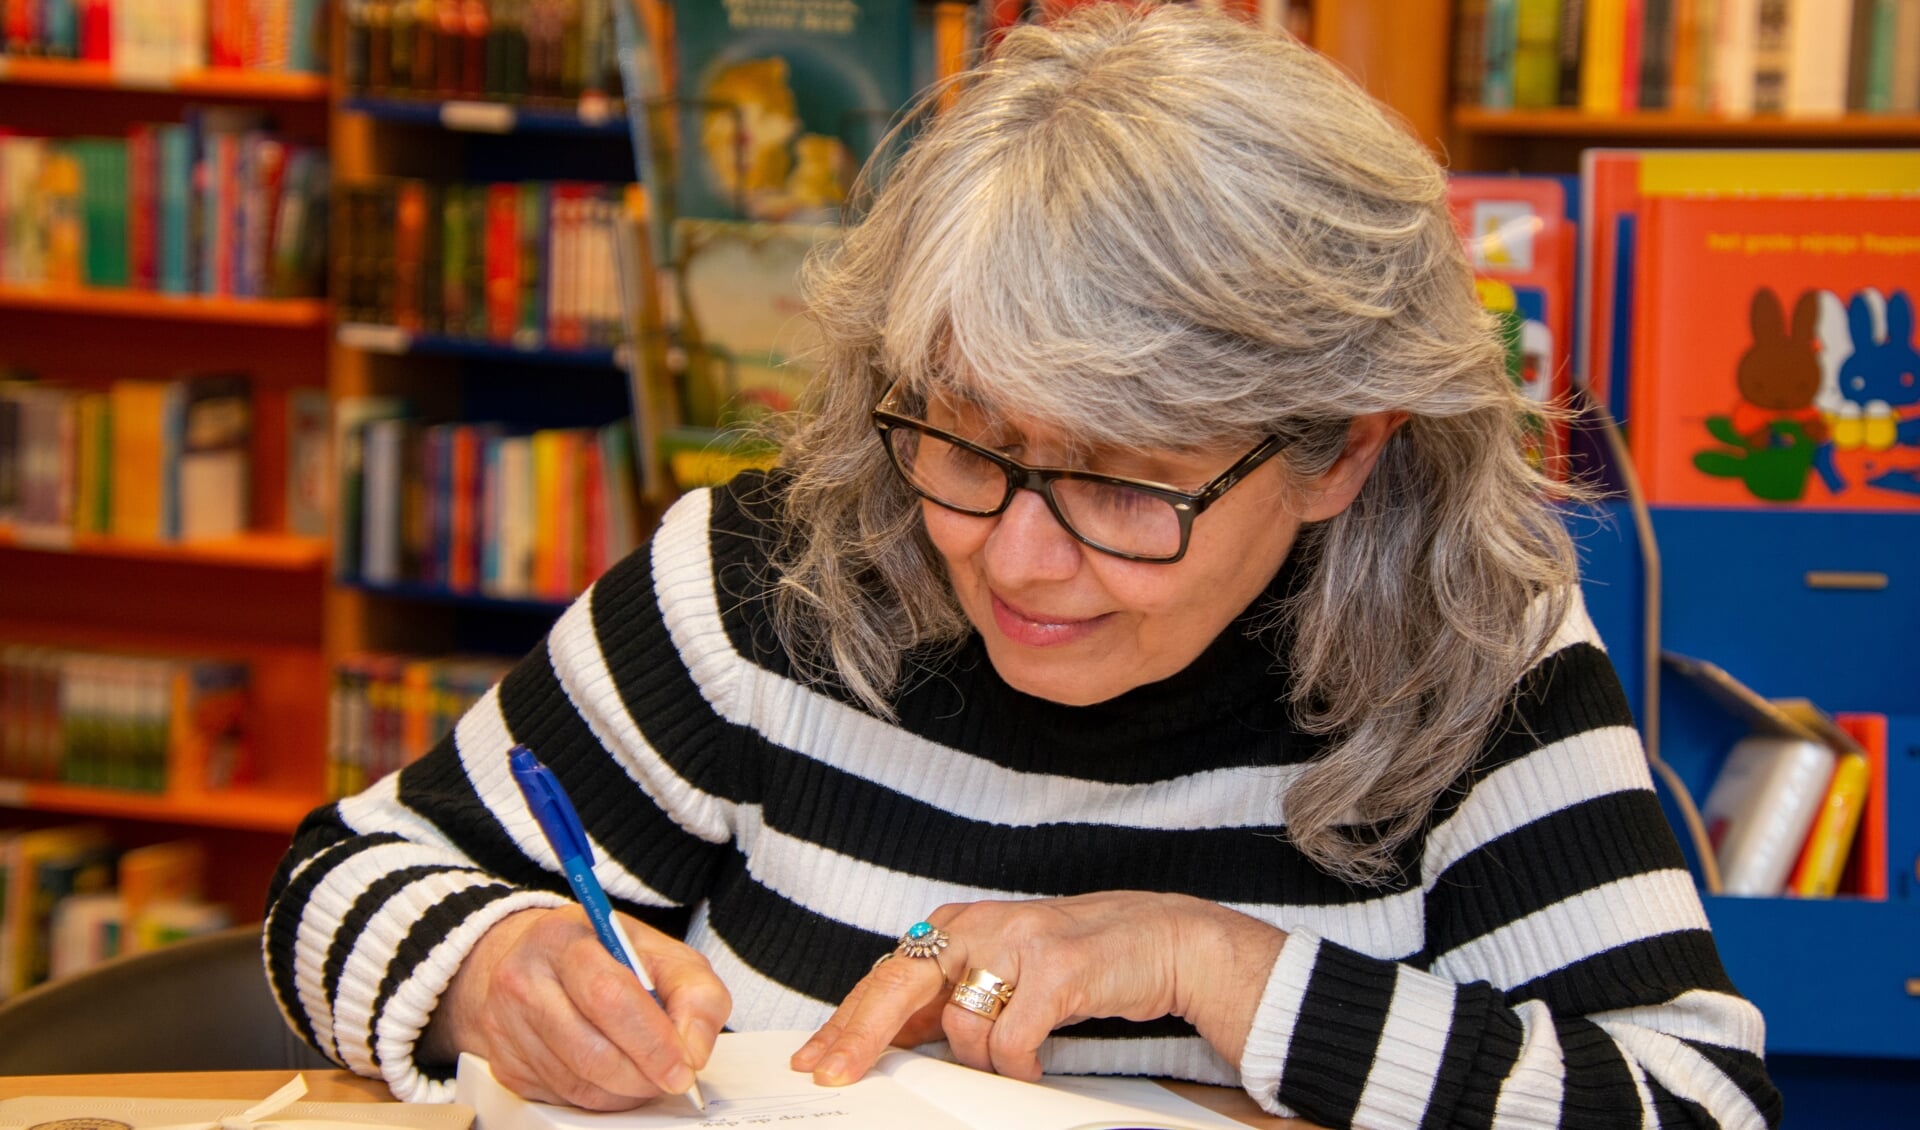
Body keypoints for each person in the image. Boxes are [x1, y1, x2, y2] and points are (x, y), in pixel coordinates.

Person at [264, 6, 1782, 1127]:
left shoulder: (1473, 661)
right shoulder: (772, 583)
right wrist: (493, 962)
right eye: (972, 445)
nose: (1018, 557)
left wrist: (1214, 965)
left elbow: (1698, 1106)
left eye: (1125, 485)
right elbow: (333, 887)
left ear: (1340, 452)